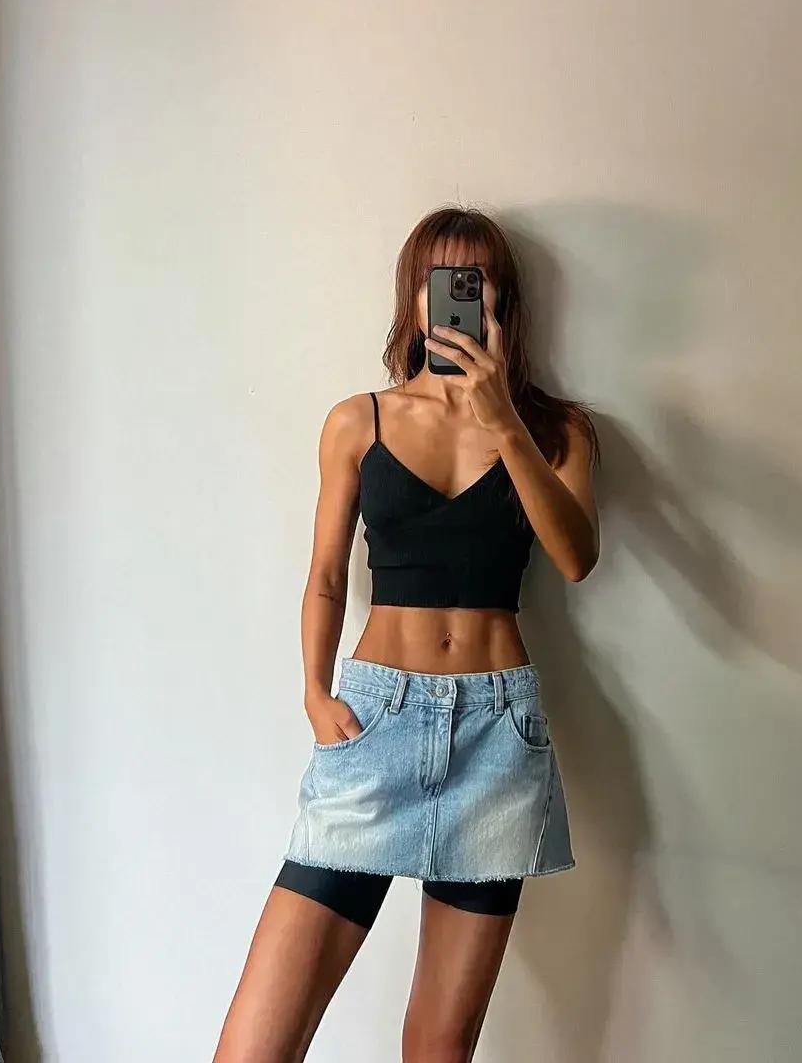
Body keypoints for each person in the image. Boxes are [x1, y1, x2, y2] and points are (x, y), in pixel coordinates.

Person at [213, 205, 601, 1062]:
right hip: (374, 725)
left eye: (476, 280)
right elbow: (325, 576)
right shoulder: (359, 421)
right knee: (254, 1048)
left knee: (438, 1049)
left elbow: (576, 558)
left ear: (502, 301)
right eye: (441, 280)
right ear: (413, 297)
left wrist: (501, 419)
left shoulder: (555, 430)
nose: (457, 297)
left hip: (498, 742)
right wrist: (314, 694)